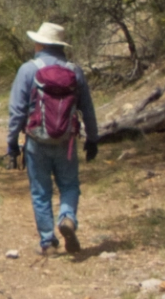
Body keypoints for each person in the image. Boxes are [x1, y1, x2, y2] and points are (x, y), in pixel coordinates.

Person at [5, 22, 100, 256]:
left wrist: (11, 144)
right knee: (69, 185)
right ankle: (67, 217)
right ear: (60, 45)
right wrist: (93, 138)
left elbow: (17, 111)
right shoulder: (74, 70)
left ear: (40, 43)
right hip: (66, 141)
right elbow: (87, 108)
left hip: (36, 142)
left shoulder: (28, 70)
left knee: (40, 191)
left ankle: (48, 241)